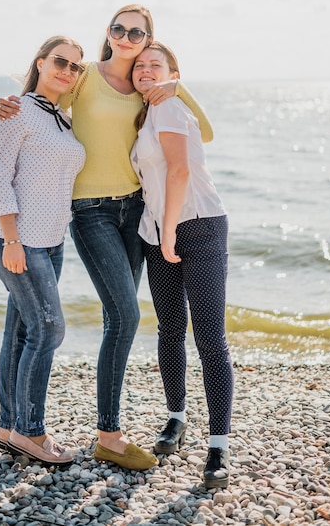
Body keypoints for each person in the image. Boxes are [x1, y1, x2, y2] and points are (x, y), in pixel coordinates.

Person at [0, 4, 214, 471]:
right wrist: (6, 104)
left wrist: (176, 85)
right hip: (89, 211)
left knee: (116, 319)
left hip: (134, 208)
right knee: (126, 314)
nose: (127, 35)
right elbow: (42, 103)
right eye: (119, 27)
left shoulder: (146, 86)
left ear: (149, 38)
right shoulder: (85, 76)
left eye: (138, 31)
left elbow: (206, 133)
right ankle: (106, 434)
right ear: (109, 34)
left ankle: (41, 427)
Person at [130, 42, 234, 488]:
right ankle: (176, 418)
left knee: (210, 339)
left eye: (157, 65)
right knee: (170, 329)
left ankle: (219, 446)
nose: (147, 71)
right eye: (140, 65)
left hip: (199, 227)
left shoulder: (170, 107)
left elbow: (179, 172)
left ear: (173, 74)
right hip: (159, 232)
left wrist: (169, 231)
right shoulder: (144, 115)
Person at [0, 36, 86, 465]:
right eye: (59, 61)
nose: (67, 70)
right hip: (18, 242)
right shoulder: (17, 111)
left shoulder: (61, 117)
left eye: (75, 67)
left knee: (22, 332)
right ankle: (31, 431)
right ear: (41, 63)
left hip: (51, 241)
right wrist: (11, 240)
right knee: (48, 331)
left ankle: (8, 427)